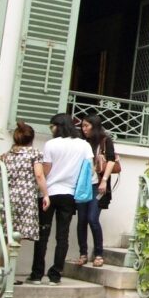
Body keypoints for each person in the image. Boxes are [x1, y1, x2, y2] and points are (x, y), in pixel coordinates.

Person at [33, 113, 90, 284]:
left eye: (52, 126)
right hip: (69, 194)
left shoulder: (51, 144)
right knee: (62, 236)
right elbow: (89, 169)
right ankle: (55, 274)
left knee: (42, 234)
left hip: (48, 193)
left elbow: (46, 170)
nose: (51, 130)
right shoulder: (83, 145)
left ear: (58, 126)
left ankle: (37, 274)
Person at [74, 115, 119, 267]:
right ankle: (83, 253)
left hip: (97, 185)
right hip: (83, 185)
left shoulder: (105, 141)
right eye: (82, 126)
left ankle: (99, 254)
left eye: (87, 126)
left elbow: (111, 160)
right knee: (81, 220)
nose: (84, 129)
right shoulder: (82, 142)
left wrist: (104, 180)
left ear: (95, 126)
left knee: (92, 218)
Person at [1, 123, 48, 257]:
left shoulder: (7, 155)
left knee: (5, 233)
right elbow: (39, 175)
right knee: (17, 236)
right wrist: (46, 194)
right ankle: (8, 264)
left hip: (8, 196)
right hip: (25, 197)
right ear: (31, 138)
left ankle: (2, 264)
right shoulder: (35, 154)